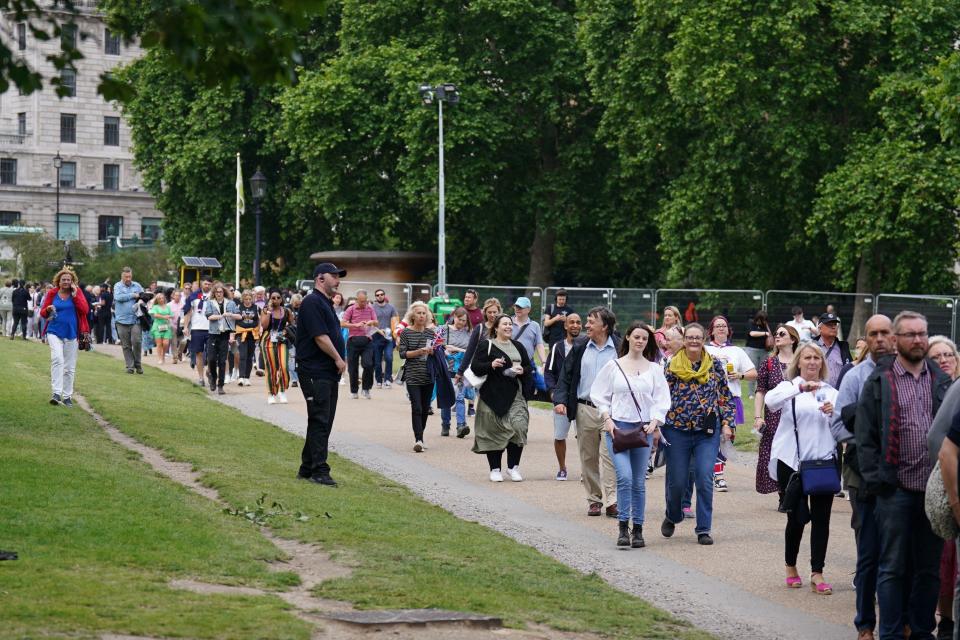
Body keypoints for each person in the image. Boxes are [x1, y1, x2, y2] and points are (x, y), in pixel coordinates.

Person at [856, 311, 951, 640]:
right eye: (910, 334)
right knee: (892, 568)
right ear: (896, 341)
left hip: (932, 492)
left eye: (923, 334)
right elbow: (864, 436)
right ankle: (892, 634)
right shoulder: (880, 380)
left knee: (928, 571)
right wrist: (877, 481)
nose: (918, 340)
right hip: (893, 491)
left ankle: (922, 631)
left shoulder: (940, 380)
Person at [765, 341, 848, 595]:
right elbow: (771, 402)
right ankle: (791, 566)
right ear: (798, 361)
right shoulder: (788, 387)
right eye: (807, 358)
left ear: (822, 364)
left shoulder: (831, 392)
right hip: (792, 463)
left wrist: (835, 413)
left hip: (823, 463)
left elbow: (844, 428)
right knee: (797, 518)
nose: (812, 362)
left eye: (817, 358)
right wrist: (800, 388)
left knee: (822, 520)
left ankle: (817, 572)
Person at [832, 314, 895, 640]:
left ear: (894, 337)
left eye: (886, 333)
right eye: (875, 334)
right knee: (868, 547)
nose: (881, 339)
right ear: (867, 340)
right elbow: (838, 424)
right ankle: (865, 624)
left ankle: (899, 617)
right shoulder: (856, 377)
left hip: (901, 474)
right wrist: (867, 448)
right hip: (862, 475)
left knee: (900, 548)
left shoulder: (906, 376)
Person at [591, 322, 670, 548]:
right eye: (636, 337)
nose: (640, 341)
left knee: (638, 482)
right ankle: (622, 526)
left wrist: (655, 421)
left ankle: (638, 529)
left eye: (644, 338)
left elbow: (662, 399)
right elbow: (599, 394)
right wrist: (606, 418)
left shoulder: (654, 369)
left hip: (642, 430)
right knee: (624, 477)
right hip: (617, 428)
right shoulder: (613, 366)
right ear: (627, 337)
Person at [661, 322, 735, 545]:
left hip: (706, 432)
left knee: (704, 478)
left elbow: (725, 395)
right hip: (677, 430)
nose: (694, 341)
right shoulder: (672, 365)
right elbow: (661, 396)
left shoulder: (713, 365)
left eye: (698, 337)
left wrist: (727, 423)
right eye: (690, 337)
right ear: (684, 340)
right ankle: (673, 515)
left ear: (704, 339)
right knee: (677, 482)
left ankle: (703, 528)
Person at [554, 307, 621, 517]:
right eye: (588, 321)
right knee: (588, 457)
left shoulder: (619, 347)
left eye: (592, 322)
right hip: (585, 408)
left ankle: (612, 500)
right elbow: (566, 374)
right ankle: (594, 499)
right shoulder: (581, 345)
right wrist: (560, 399)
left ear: (605, 326)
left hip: (612, 411)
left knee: (610, 456)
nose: (586, 325)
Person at [295, 263, 347, 486]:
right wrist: (338, 357)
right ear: (320, 278)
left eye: (338, 276)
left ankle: (307, 468)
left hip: (326, 372)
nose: (337, 280)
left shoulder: (324, 302)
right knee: (320, 419)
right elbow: (320, 337)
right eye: (333, 276)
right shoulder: (312, 302)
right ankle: (319, 470)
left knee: (322, 420)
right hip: (315, 371)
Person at [469, 313, 533, 481]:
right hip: (492, 395)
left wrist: (522, 371)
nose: (508, 327)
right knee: (493, 431)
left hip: (515, 394)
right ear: (496, 327)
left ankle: (513, 468)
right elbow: (476, 367)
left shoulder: (518, 346)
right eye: (504, 324)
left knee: (519, 426)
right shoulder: (486, 345)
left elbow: (528, 366)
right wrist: (491, 365)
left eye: (510, 324)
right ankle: (495, 469)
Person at [926, 336, 960, 640]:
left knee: (951, 566)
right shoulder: (928, 389)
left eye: (949, 354)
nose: (944, 360)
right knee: (941, 562)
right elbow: (939, 442)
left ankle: (948, 620)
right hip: (940, 485)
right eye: (937, 356)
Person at [705, 315, 757, 491]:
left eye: (724, 326)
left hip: (732, 398)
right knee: (710, 437)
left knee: (728, 437)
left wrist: (740, 376)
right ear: (711, 330)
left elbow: (753, 373)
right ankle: (716, 474)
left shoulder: (737, 351)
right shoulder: (705, 350)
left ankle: (717, 472)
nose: (721, 328)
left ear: (728, 330)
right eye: (717, 326)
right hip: (709, 399)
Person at [754, 324, 799, 495]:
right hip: (773, 418)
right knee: (773, 454)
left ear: (793, 339)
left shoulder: (801, 361)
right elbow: (760, 391)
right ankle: (782, 493)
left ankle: (793, 491)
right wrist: (758, 417)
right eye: (776, 333)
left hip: (796, 417)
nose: (777, 336)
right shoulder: (769, 363)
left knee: (794, 453)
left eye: (782, 333)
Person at [38, 267, 89, 407]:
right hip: (54, 331)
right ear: (58, 281)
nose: (66, 282)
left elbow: (85, 310)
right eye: (63, 280)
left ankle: (67, 397)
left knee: (69, 367)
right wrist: (47, 309)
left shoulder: (76, 293)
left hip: (72, 333)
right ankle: (56, 393)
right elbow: (42, 312)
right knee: (57, 359)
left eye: (68, 280)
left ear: (72, 281)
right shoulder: (52, 293)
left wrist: (75, 294)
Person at [545, 313, 582, 481]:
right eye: (571, 322)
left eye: (578, 322)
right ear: (565, 326)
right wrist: (553, 392)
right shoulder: (558, 347)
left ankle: (586, 470)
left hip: (581, 398)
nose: (575, 325)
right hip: (562, 398)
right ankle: (562, 468)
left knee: (585, 437)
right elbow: (549, 372)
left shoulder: (586, 345)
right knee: (560, 435)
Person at [398, 301, 436, 452]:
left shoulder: (431, 333)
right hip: (413, 375)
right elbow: (402, 353)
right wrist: (419, 351)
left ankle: (421, 435)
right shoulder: (406, 332)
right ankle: (418, 439)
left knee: (425, 408)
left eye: (424, 313)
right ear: (412, 315)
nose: (421, 315)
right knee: (417, 407)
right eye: (419, 313)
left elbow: (437, 352)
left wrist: (433, 352)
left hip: (428, 375)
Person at [458, 297, 502, 417]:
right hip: (482, 369)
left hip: (498, 370)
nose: (492, 315)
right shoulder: (480, 328)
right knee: (484, 400)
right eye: (489, 312)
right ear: (485, 313)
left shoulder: (503, 328)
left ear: (499, 312)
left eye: (495, 312)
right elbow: (470, 350)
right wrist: (461, 371)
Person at [439, 307, 472, 437]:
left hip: (462, 369)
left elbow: (472, 350)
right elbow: (436, 345)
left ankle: (461, 426)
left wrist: (457, 349)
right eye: (459, 319)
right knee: (446, 398)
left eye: (464, 320)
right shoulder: (443, 330)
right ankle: (445, 425)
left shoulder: (469, 332)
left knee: (459, 397)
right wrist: (445, 349)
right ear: (454, 317)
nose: (461, 323)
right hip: (446, 368)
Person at [341, 289, 378, 399]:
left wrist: (371, 322)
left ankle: (366, 389)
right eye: (361, 301)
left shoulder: (370, 308)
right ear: (357, 299)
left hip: (367, 341)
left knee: (368, 365)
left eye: (365, 301)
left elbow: (376, 322)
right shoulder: (350, 309)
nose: (363, 304)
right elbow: (342, 324)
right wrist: (355, 325)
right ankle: (354, 391)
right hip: (353, 341)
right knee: (352, 368)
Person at [260, 289, 294, 404]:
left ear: (282, 299)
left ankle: (282, 390)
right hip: (268, 340)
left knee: (284, 366)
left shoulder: (287, 311)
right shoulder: (265, 310)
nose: (276, 300)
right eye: (273, 298)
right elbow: (264, 326)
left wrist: (286, 330)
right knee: (271, 368)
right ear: (269, 299)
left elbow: (292, 325)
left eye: (278, 297)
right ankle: (271, 393)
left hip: (282, 340)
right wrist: (269, 311)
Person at [204, 283, 239, 395]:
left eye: (221, 292)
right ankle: (212, 377)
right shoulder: (210, 303)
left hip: (225, 334)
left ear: (224, 292)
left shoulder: (231, 303)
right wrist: (221, 316)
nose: (219, 294)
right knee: (212, 359)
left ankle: (220, 385)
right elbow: (209, 316)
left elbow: (239, 316)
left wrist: (230, 315)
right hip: (213, 334)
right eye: (217, 292)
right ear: (214, 293)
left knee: (223, 361)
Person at [114, 267, 144, 374]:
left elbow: (143, 296)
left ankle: (138, 364)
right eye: (126, 277)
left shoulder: (137, 285)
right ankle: (130, 366)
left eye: (130, 276)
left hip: (135, 319)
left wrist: (141, 299)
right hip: (121, 320)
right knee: (126, 345)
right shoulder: (117, 286)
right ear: (122, 276)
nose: (128, 278)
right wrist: (133, 295)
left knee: (137, 342)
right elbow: (118, 297)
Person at [182, 277, 212, 386]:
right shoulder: (193, 296)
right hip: (197, 328)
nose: (207, 286)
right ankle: (201, 378)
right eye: (205, 284)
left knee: (211, 354)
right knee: (199, 353)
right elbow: (188, 312)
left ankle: (209, 371)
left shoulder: (214, 296)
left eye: (209, 284)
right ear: (201, 284)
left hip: (211, 329)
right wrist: (185, 327)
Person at [816, 312, 853, 388]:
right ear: (820, 328)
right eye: (829, 325)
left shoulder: (843, 347)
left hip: (839, 394)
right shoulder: (811, 346)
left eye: (835, 325)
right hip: (818, 393)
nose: (833, 327)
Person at [372, 288, 399, 389]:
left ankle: (387, 379)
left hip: (388, 337)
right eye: (377, 295)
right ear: (375, 297)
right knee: (377, 361)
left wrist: (396, 336)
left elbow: (396, 322)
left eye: (381, 294)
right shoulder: (372, 308)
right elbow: (370, 323)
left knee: (389, 357)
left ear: (384, 295)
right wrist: (378, 330)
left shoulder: (391, 307)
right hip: (376, 336)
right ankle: (379, 380)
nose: (380, 296)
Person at [233, 290, 260, 386]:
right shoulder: (239, 307)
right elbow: (235, 319)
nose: (248, 301)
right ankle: (240, 377)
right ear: (243, 299)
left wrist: (259, 331)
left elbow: (258, 320)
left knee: (250, 356)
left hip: (252, 333)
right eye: (246, 299)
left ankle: (247, 377)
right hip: (241, 333)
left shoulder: (256, 307)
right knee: (243, 355)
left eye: (249, 299)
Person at [512, 296, 547, 366]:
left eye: (520, 307)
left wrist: (544, 362)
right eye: (516, 306)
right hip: (509, 364)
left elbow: (539, 345)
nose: (517, 309)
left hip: (528, 365)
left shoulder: (535, 325)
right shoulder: (507, 322)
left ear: (528, 309)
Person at [745, 310, 772, 396]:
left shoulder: (766, 326)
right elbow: (752, 333)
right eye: (762, 319)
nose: (763, 321)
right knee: (753, 371)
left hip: (764, 351)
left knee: (763, 372)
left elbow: (770, 335)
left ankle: (760, 391)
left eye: (765, 320)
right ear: (758, 318)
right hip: (752, 350)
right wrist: (765, 333)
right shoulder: (751, 323)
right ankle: (751, 393)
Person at [149, 292, 174, 365]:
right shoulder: (155, 307)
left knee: (166, 343)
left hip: (166, 326)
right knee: (159, 343)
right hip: (157, 326)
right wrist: (164, 317)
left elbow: (172, 315)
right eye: (159, 298)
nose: (161, 300)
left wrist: (169, 317)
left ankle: (163, 356)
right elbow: (155, 315)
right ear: (157, 299)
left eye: (162, 298)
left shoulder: (168, 307)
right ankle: (160, 358)